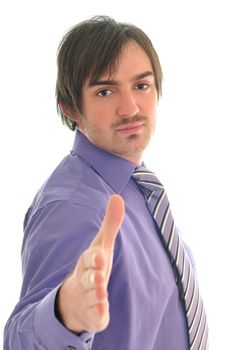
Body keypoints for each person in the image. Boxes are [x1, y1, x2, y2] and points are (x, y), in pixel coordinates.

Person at [4, 16, 208, 350]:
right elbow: (18, 339)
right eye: (105, 91)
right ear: (71, 108)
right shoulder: (73, 206)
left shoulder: (139, 189)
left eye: (141, 85)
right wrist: (64, 311)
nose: (130, 108)